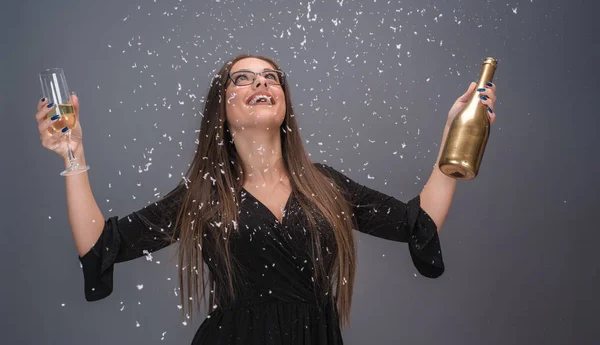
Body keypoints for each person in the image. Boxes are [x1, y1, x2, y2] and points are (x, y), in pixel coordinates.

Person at [35, 53, 497, 344]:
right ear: (222, 107)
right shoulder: (203, 193)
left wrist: (454, 138)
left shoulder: (325, 185)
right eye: (244, 79)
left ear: (283, 102)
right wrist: (72, 154)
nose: (261, 84)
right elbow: (101, 245)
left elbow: (418, 225)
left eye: (271, 77)